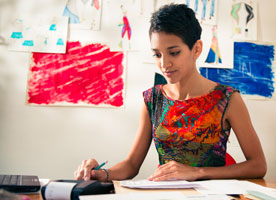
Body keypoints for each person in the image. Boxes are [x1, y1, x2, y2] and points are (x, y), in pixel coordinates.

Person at [74, 3, 266, 182]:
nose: (164, 64)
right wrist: (99, 173)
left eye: (174, 53)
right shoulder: (152, 99)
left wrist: (197, 172)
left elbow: (258, 165)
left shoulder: (227, 99)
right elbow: (131, 165)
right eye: (157, 54)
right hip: (167, 192)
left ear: (196, 49)